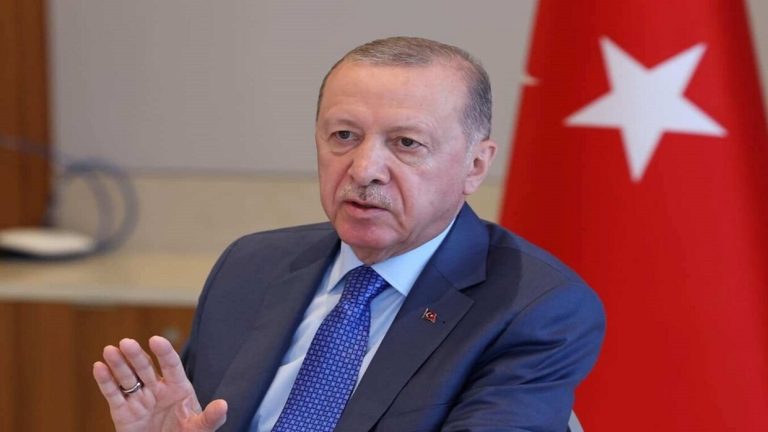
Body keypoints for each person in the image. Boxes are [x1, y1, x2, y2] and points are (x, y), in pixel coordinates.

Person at [93, 36, 605, 432]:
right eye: (344, 136)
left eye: (406, 143)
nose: (364, 169)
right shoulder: (251, 265)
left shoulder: (534, 308)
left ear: (475, 165)